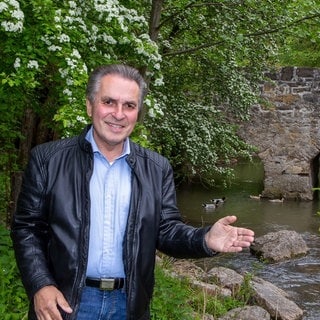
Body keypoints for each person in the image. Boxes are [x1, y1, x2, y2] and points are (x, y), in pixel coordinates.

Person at [11, 64, 255, 320]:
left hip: (128, 305)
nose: (118, 114)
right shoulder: (48, 160)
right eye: (109, 102)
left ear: (137, 113)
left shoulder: (157, 168)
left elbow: (166, 230)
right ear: (90, 105)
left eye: (129, 105)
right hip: (66, 302)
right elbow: (27, 228)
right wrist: (40, 284)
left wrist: (204, 239)